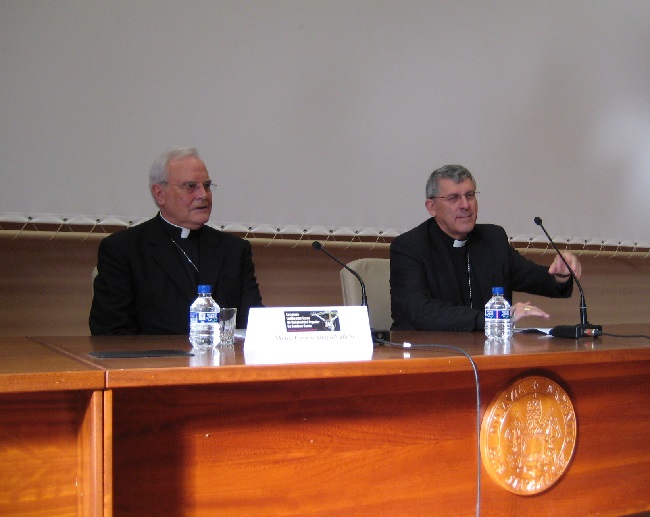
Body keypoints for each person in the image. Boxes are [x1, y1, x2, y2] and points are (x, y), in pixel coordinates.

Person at [90, 147, 263, 335]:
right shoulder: (124, 249)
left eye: (206, 185)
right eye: (190, 186)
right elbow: (111, 331)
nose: (203, 195)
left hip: (224, 362)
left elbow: (254, 325)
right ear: (160, 194)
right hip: (156, 362)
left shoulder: (235, 250)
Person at [390, 164, 581, 331]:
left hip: (487, 350)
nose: (465, 205)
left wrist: (561, 275)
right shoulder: (409, 247)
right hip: (426, 354)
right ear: (431, 207)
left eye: (470, 195)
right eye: (454, 198)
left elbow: (531, 276)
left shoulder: (492, 239)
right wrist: (494, 318)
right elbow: (420, 311)